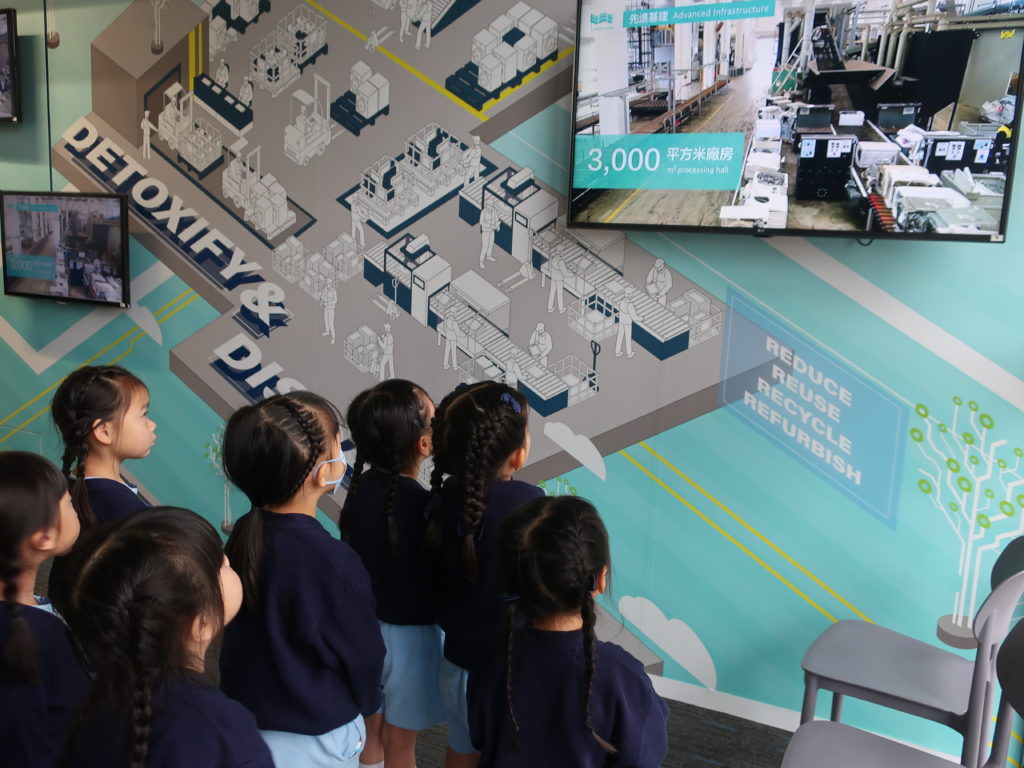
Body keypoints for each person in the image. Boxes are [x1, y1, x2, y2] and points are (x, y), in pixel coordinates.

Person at [219, 391, 386, 768]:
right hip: (315, 739)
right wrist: (367, 703)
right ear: (321, 471)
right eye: (337, 444)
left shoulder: (244, 532)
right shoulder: (332, 561)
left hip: (247, 722)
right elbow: (364, 655)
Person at [61, 507, 274, 768]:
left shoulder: (94, 703)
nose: (228, 560)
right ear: (202, 624)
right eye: (220, 564)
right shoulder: (222, 728)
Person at [467, 496, 669, 766]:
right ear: (600, 579)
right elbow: (644, 755)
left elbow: (479, 737)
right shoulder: (623, 676)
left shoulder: (489, 660)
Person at [427, 381, 543, 768]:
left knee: (461, 748)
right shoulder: (531, 506)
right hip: (508, 675)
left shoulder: (442, 498)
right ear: (517, 455)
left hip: (456, 665)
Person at [341, 380, 444, 768]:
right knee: (401, 744)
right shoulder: (426, 505)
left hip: (362, 631)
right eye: (434, 420)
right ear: (424, 443)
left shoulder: (358, 492)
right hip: (412, 642)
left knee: (370, 736)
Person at [0, 452, 89, 768]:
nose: (76, 509)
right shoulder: (37, 638)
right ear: (44, 537)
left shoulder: (35, 618)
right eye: (69, 504)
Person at [48, 365, 155, 608]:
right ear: (104, 431)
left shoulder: (74, 484)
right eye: (144, 415)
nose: (152, 425)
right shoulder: (121, 508)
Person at [615, 292, 642, 358]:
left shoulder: (622, 301)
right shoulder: (630, 305)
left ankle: (617, 352)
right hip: (627, 323)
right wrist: (642, 318)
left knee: (620, 336)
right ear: (630, 295)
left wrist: (633, 308)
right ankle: (629, 353)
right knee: (628, 338)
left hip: (621, 321)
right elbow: (634, 317)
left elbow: (624, 310)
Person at [546, 247, 569, 314]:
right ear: (561, 252)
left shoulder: (554, 258)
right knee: (559, 294)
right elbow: (566, 273)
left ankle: (549, 308)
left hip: (553, 278)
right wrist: (573, 274)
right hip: (559, 279)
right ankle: (561, 309)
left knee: (552, 292)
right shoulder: (561, 262)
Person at [478, 198, 499, 268]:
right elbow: (481, 222)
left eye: (492, 205)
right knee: (485, 246)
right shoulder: (483, 212)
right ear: (487, 205)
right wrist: (490, 226)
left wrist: (497, 226)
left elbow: (496, 219)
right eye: (491, 205)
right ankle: (481, 261)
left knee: (490, 244)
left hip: (492, 231)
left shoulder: (494, 211)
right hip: (486, 232)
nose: (492, 207)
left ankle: (488, 256)